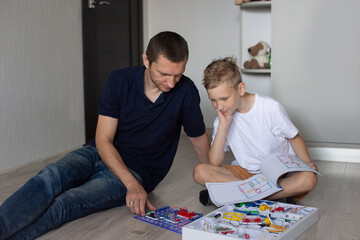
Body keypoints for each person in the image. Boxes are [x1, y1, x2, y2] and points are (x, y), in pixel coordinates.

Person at [0, 31, 210, 240]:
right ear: (146, 60)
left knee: (67, 202)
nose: (172, 82)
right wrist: (131, 186)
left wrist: (215, 179)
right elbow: (103, 140)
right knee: (50, 176)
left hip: (139, 170)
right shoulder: (119, 81)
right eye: (164, 74)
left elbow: (197, 137)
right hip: (97, 153)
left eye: (178, 74)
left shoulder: (186, 91)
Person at [193, 57, 317, 205]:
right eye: (213, 100)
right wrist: (223, 126)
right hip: (245, 175)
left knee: (308, 179)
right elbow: (214, 162)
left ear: (241, 89)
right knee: (200, 171)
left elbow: (294, 137)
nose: (219, 106)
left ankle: (240, 195)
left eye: (224, 98)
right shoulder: (222, 119)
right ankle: (266, 196)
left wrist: (307, 162)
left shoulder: (269, 107)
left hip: (278, 174)